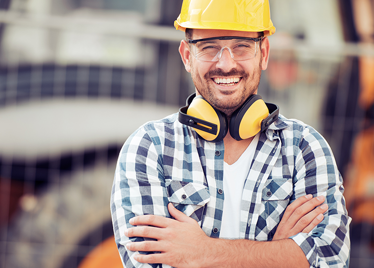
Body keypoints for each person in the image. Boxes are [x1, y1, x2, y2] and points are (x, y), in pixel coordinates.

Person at [110, 0, 351, 267]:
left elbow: (330, 260)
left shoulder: (305, 149)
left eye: (242, 47)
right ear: (187, 56)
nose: (226, 64)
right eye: (209, 47)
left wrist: (201, 252)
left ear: (264, 53)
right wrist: (278, 253)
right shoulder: (149, 148)